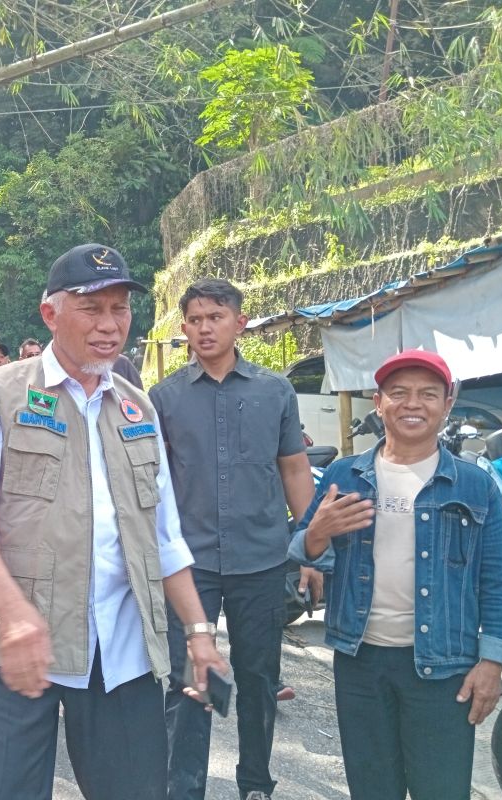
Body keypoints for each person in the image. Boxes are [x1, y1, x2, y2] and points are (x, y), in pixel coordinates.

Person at [0, 243, 226, 800]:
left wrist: (198, 633)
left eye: (120, 309)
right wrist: (16, 615)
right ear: (50, 314)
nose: (109, 325)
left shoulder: (137, 408)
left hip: (121, 647)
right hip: (20, 645)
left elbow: (164, 535)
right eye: (91, 309)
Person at [289, 350, 502, 800]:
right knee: (372, 788)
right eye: (399, 393)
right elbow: (302, 549)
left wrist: (492, 663)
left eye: (427, 394)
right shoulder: (345, 474)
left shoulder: (476, 486)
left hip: (444, 666)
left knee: (442, 789)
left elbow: (497, 579)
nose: (412, 404)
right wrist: (316, 532)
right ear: (378, 402)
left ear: (447, 403)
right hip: (361, 662)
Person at [149, 278, 317, 800]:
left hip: (261, 560)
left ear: (239, 323)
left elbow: (293, 470)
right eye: (195, 320)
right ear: (184, 329)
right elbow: (154, 485)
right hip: (190, 565)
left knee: (259, 680)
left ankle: (255, 784)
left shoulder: (275, 391)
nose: (205, 328)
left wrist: (311, 548)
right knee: (190, 682)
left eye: (215, 317)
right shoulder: (164, 398)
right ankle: (184, 788)